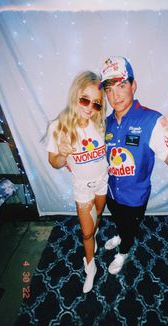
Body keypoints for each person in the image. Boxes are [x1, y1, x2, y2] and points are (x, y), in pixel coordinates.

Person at [99, 56, 168, 275]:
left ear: (133, 85)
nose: (115, 95)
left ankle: (124, 251)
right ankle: (120, 234)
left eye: (121, 86)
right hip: (110, 193)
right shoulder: (106, 123)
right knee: (119, 221)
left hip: (135, 198)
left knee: (130, 228)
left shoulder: (152, 121)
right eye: (109, 89)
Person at [46, 71, 108, 293]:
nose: (90, 107)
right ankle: (90, 267)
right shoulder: (59, 126)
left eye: (97, 104)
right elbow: (54, 162)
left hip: (102, 181)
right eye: (85, 99)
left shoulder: (100, 124)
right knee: (87, 233)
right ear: (75, 95)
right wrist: (62, 154)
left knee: (98, 216)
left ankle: (95, 236)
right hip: (82, 187)